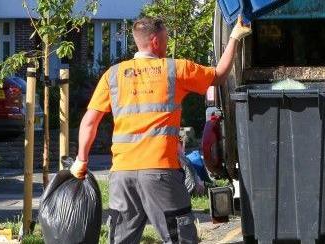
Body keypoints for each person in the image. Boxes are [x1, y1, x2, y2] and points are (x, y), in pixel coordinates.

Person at [71, 16, 251, 244]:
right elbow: (219, 75)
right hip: (160, 171)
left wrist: (81, 161)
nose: (166, 44)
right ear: (155, 41)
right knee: (180, 238)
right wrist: (235, 36)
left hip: (122, 174)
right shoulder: (175, 70)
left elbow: (89, 121)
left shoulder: (113, 75)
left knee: (121, 240)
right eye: (165, 39)